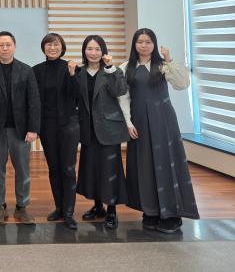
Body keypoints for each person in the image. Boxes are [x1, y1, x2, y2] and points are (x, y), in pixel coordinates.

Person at [120, 28, 199, 233]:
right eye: (140, 41)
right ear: (134, 44)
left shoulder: (163, 65)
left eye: (148, 42)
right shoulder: (125, 67)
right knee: (143, 164)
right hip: (138, 122)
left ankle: (172, 214)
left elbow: (182, 84)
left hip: (163, 120)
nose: (144, 45)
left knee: (166, 162)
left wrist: (169, 59)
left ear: (154, 44)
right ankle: (151, 211)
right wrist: (128, 123)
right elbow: (123, 97)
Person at [0, 31, 40, 225]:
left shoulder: (26, 70)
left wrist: (33, 129)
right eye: (1, 45)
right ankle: (0, 206)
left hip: (20, 130)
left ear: (14, 46)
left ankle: (22, 207)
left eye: (8, 44)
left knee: (22, 170)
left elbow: (34, 101)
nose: (5, 48)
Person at [76, 35, 129, 229]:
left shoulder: (111, 71)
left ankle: (112, 210)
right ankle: (98, 206)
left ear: (103, 51)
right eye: (89, 49)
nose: (93, 53)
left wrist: (110, 68)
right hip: (87, 129)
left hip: (108, 129)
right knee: (91, 169)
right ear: (84, 51)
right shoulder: (79, 72)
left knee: (110, 170)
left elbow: (120, 90)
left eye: (97, 49)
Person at [32, 33, 80, 229]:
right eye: (48, 45)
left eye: (56, 44)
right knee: (53, 168)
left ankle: (69, 212)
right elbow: (34, 101)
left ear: (62, 47)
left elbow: (77, 95)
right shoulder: (36, 70)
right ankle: (59, 208)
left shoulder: (72, 68)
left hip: (68, 125)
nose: (52, 48)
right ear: (43, 47)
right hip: (47, 126)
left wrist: (72, 75)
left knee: (68, 169)